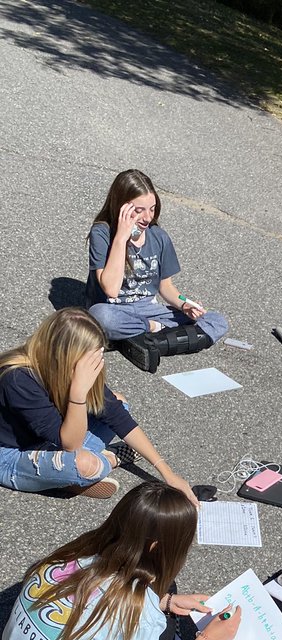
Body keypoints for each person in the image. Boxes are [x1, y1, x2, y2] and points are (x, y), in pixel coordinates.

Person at [2, 481, 253, 640]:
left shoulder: (75, 553)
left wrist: (165, 602)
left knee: (165, 588)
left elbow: (95, 607)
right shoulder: (134, 607)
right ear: (157, 547)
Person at [0, 308, 196, 502]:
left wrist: (167, 472)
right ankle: (107, 460)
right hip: (11, 455)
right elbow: (71, 444)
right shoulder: (18, 378)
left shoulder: (65, 366)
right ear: (64, 355)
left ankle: (67, 478)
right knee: (86, 465)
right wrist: (78, 392)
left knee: (119, 402)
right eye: (89, 358)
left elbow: (119, 417)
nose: (95, 363)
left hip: (50, 439)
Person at [86, 168, 228, 373]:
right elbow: (110, 289)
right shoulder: (102, 233)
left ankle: (146, 343)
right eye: (139, 210)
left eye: (152, 209)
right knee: (100, 317)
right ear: (121, 207)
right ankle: (152, 333)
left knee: (216, 321)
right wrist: (121, 238)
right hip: (114, 308)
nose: (147, 217)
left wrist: (184, 303)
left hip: (148, 309)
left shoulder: (158, 236)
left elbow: (166, 286)